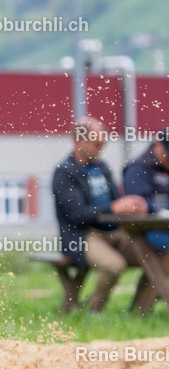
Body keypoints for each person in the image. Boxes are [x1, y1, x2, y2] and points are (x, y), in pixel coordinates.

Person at [52, 117, 162, 313]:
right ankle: (94, 312)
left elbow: (116, 202)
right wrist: (115, 208)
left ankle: (139, 311)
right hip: (83, 236)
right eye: (97, 144)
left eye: (104, 143)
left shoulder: (103, 168)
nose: (101, 148)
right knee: (114, 266)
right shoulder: (64, 173)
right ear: (79, 141)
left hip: (114, 231)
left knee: (156, 256)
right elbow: (77, 215)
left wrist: (132, 207)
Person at [122, 127, 169, 313]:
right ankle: (142, 309)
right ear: (157, 145)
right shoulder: (137, 168)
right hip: (145, 233)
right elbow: (138, 206)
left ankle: (140, 308)